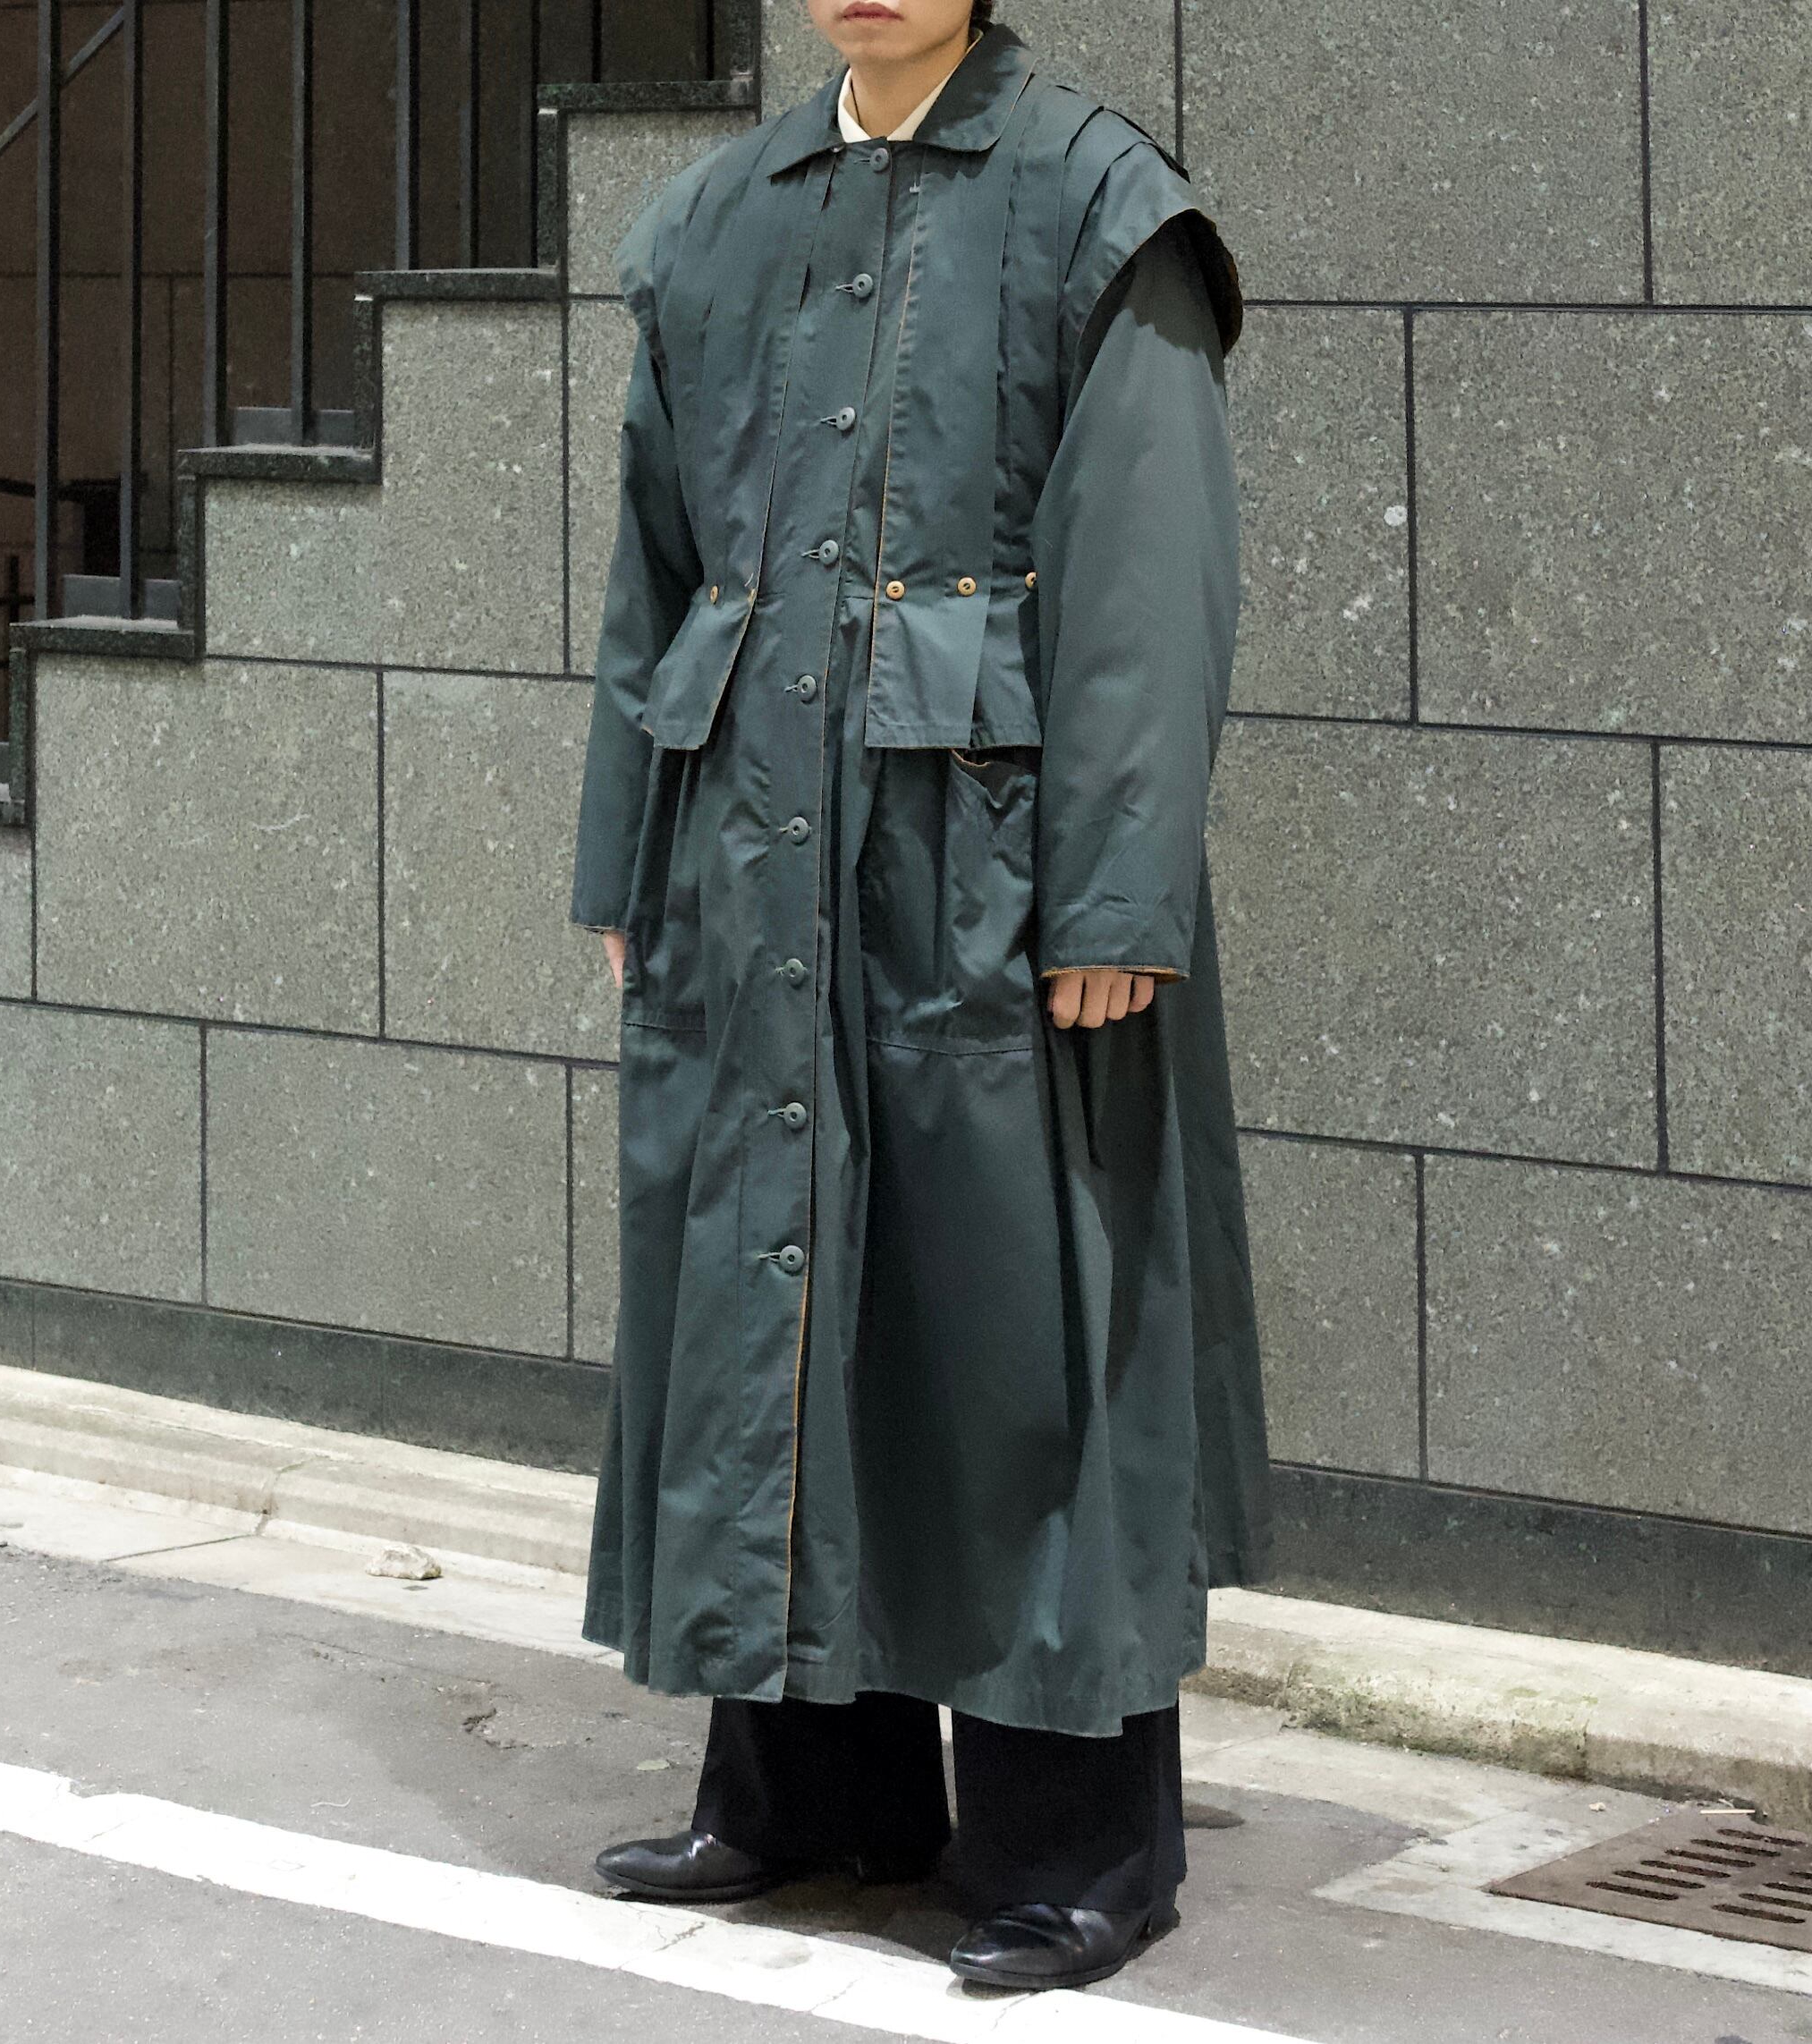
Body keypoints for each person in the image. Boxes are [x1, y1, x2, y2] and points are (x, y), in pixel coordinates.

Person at [569, 0, 1274, 1992]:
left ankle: (1076, 1848)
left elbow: (1147, 575)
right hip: (750, 860)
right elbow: (655, 571)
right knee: (777, 1313)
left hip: (988, 877)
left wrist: (1115, 892)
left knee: (1016, 1337)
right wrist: (624, 855)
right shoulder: (715, 219)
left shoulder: (1096, 205)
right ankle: (808, 1794)